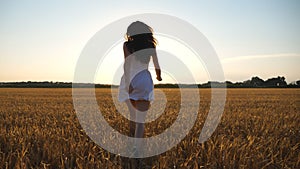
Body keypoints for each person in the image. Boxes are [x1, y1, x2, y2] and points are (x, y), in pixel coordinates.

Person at [118, 21, 162, 156]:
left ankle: (131, 141)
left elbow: (127, 65)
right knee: (141, 120)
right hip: (144, 80)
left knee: (132, 115)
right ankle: (137, 148)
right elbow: (156, 65)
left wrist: (128, 83)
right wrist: (159, 77)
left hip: (131, 79)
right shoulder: (150, 45)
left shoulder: (127, 45)